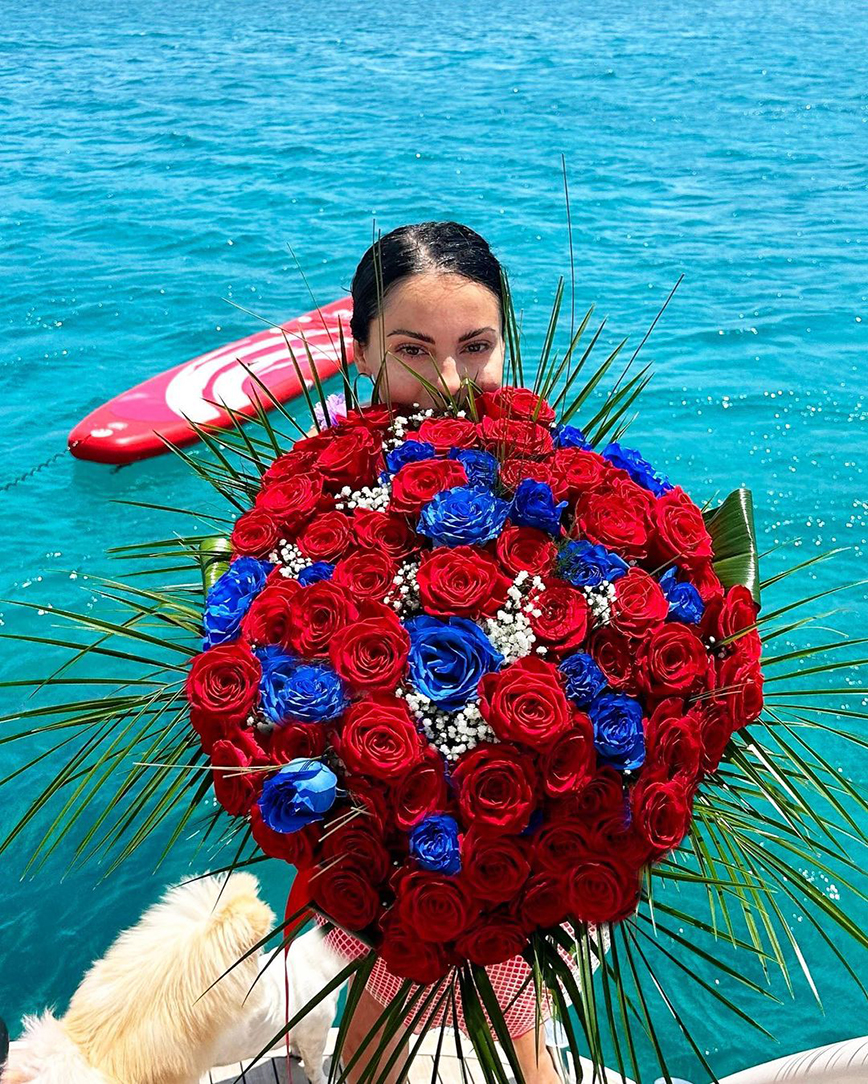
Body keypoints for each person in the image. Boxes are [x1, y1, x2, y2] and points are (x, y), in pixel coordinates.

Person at [317, 220, 565, 1084]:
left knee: (515, 1010)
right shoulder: (315, 506)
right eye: (413, 350)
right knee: (381, 1004)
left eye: (477, 347)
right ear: (361, 352)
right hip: (384, 850)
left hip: (518, 844)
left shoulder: (560, 486)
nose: (450, 384)